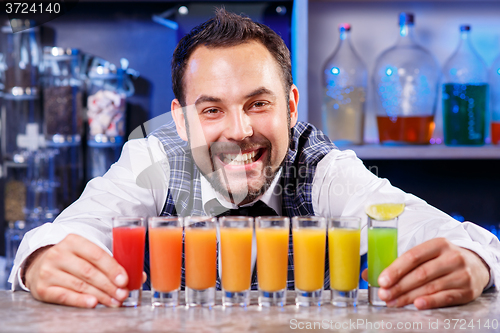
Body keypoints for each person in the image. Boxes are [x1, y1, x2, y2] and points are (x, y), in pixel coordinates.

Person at [9, 9, 500, 309]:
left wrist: (475, 260)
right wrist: (42, 260)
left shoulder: (323, 168)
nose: (240, 131)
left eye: (258, 104)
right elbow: (74, 228)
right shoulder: (154, 158)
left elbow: (425, 226)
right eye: (213, 110)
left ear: (290, 106)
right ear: (181, 122)